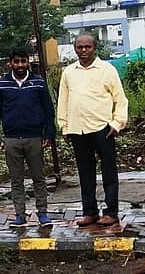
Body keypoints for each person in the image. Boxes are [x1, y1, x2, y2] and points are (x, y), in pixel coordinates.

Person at [57, 34, 128, 227]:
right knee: (85, 173)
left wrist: (117, 123)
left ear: (94, 48)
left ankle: (111, 212)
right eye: (80, 47)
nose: (83, 51)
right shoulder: (69, 72)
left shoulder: (107, 70)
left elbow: (120, 99)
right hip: (77, 130)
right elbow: (63, 100)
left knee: (109, 173)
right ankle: (90, 212)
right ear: (75, 48)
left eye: (87, 47)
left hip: (102, 129)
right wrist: (64, 126)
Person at [0, 46, 56, 227]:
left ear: (28, 62)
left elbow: (49, 110)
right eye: (16, 61)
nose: (20, 65)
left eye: (23, 61)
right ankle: (20, 215)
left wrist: (49, 133)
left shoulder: (38, 83)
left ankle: (43, 214)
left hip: (35, 138)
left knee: (39, 178)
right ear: (10, 63)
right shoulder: (2, 85)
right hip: (11, 139)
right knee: (16, 180)